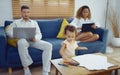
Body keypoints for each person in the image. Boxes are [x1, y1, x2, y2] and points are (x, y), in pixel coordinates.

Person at [6, 5, 52, 75]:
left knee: (48, 45)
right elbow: (8, 32)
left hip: (33, 41)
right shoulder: (16, 22)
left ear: (29, 13)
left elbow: (39, 34)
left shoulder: (34, 22)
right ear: (21, 13)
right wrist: (17, 35)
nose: (26, 14)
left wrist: (35, 38)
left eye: (28, 12)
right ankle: (26, 68)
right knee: (21, 42)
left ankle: (45, 71)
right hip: (23, 41)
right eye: (24, 12)